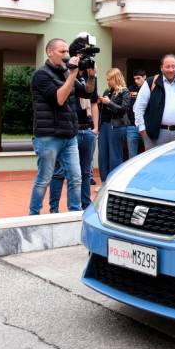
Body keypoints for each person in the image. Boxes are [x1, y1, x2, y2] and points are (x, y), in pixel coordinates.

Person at [29, 37, 97, 215]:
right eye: (62, 52)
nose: (67, 55)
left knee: (75, 178)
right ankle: (33, 215)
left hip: (69, 135)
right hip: (48, 136)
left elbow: (87, 92)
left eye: (67, 51)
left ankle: (74, 215)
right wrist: (73, 73)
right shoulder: (41, 75)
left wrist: (91, 76)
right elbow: (59, 99)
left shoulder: (67, 73)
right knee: (44, 179)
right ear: (50, 52)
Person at [47, 36, 99, 212]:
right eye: (85, 53)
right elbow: (59, 98)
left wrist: (95, 127)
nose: (88, 58)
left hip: (87, 128)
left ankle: (83, 207)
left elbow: (92, 99)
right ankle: (54, 209)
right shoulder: (64, 71)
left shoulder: (88, 71)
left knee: (84, 173)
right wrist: (73, 72)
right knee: (60, 173)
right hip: (69, 129)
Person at [134, 54, 175, 149]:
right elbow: (139, 108)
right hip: (155, 134)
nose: (171, 69)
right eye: (167, 66)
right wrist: (142, 129)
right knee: (156, 163)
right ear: (161, 68)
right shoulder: (151, 82)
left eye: (173, 66)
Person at [98, 68, 132, 182]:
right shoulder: (107, 92)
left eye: (109, 79)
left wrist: (109, 103)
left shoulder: (125, 92)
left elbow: (123, 109)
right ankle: (104, 182)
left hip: (117, 126)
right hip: (104, 126)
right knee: (103, 155)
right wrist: (100, 103)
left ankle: (113, 182)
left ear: (116, 78)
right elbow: (103, 110)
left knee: (115, 155)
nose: (108, 82)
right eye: (107, 80)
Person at [125, 68, 146, 159]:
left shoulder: (150, 88)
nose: (136, 81)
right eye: (135, 79)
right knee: (132, 156)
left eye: (138, 78)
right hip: (132, 126)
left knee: (148, 153)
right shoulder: (130, 89)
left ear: (144, 77)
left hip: (146, 126)